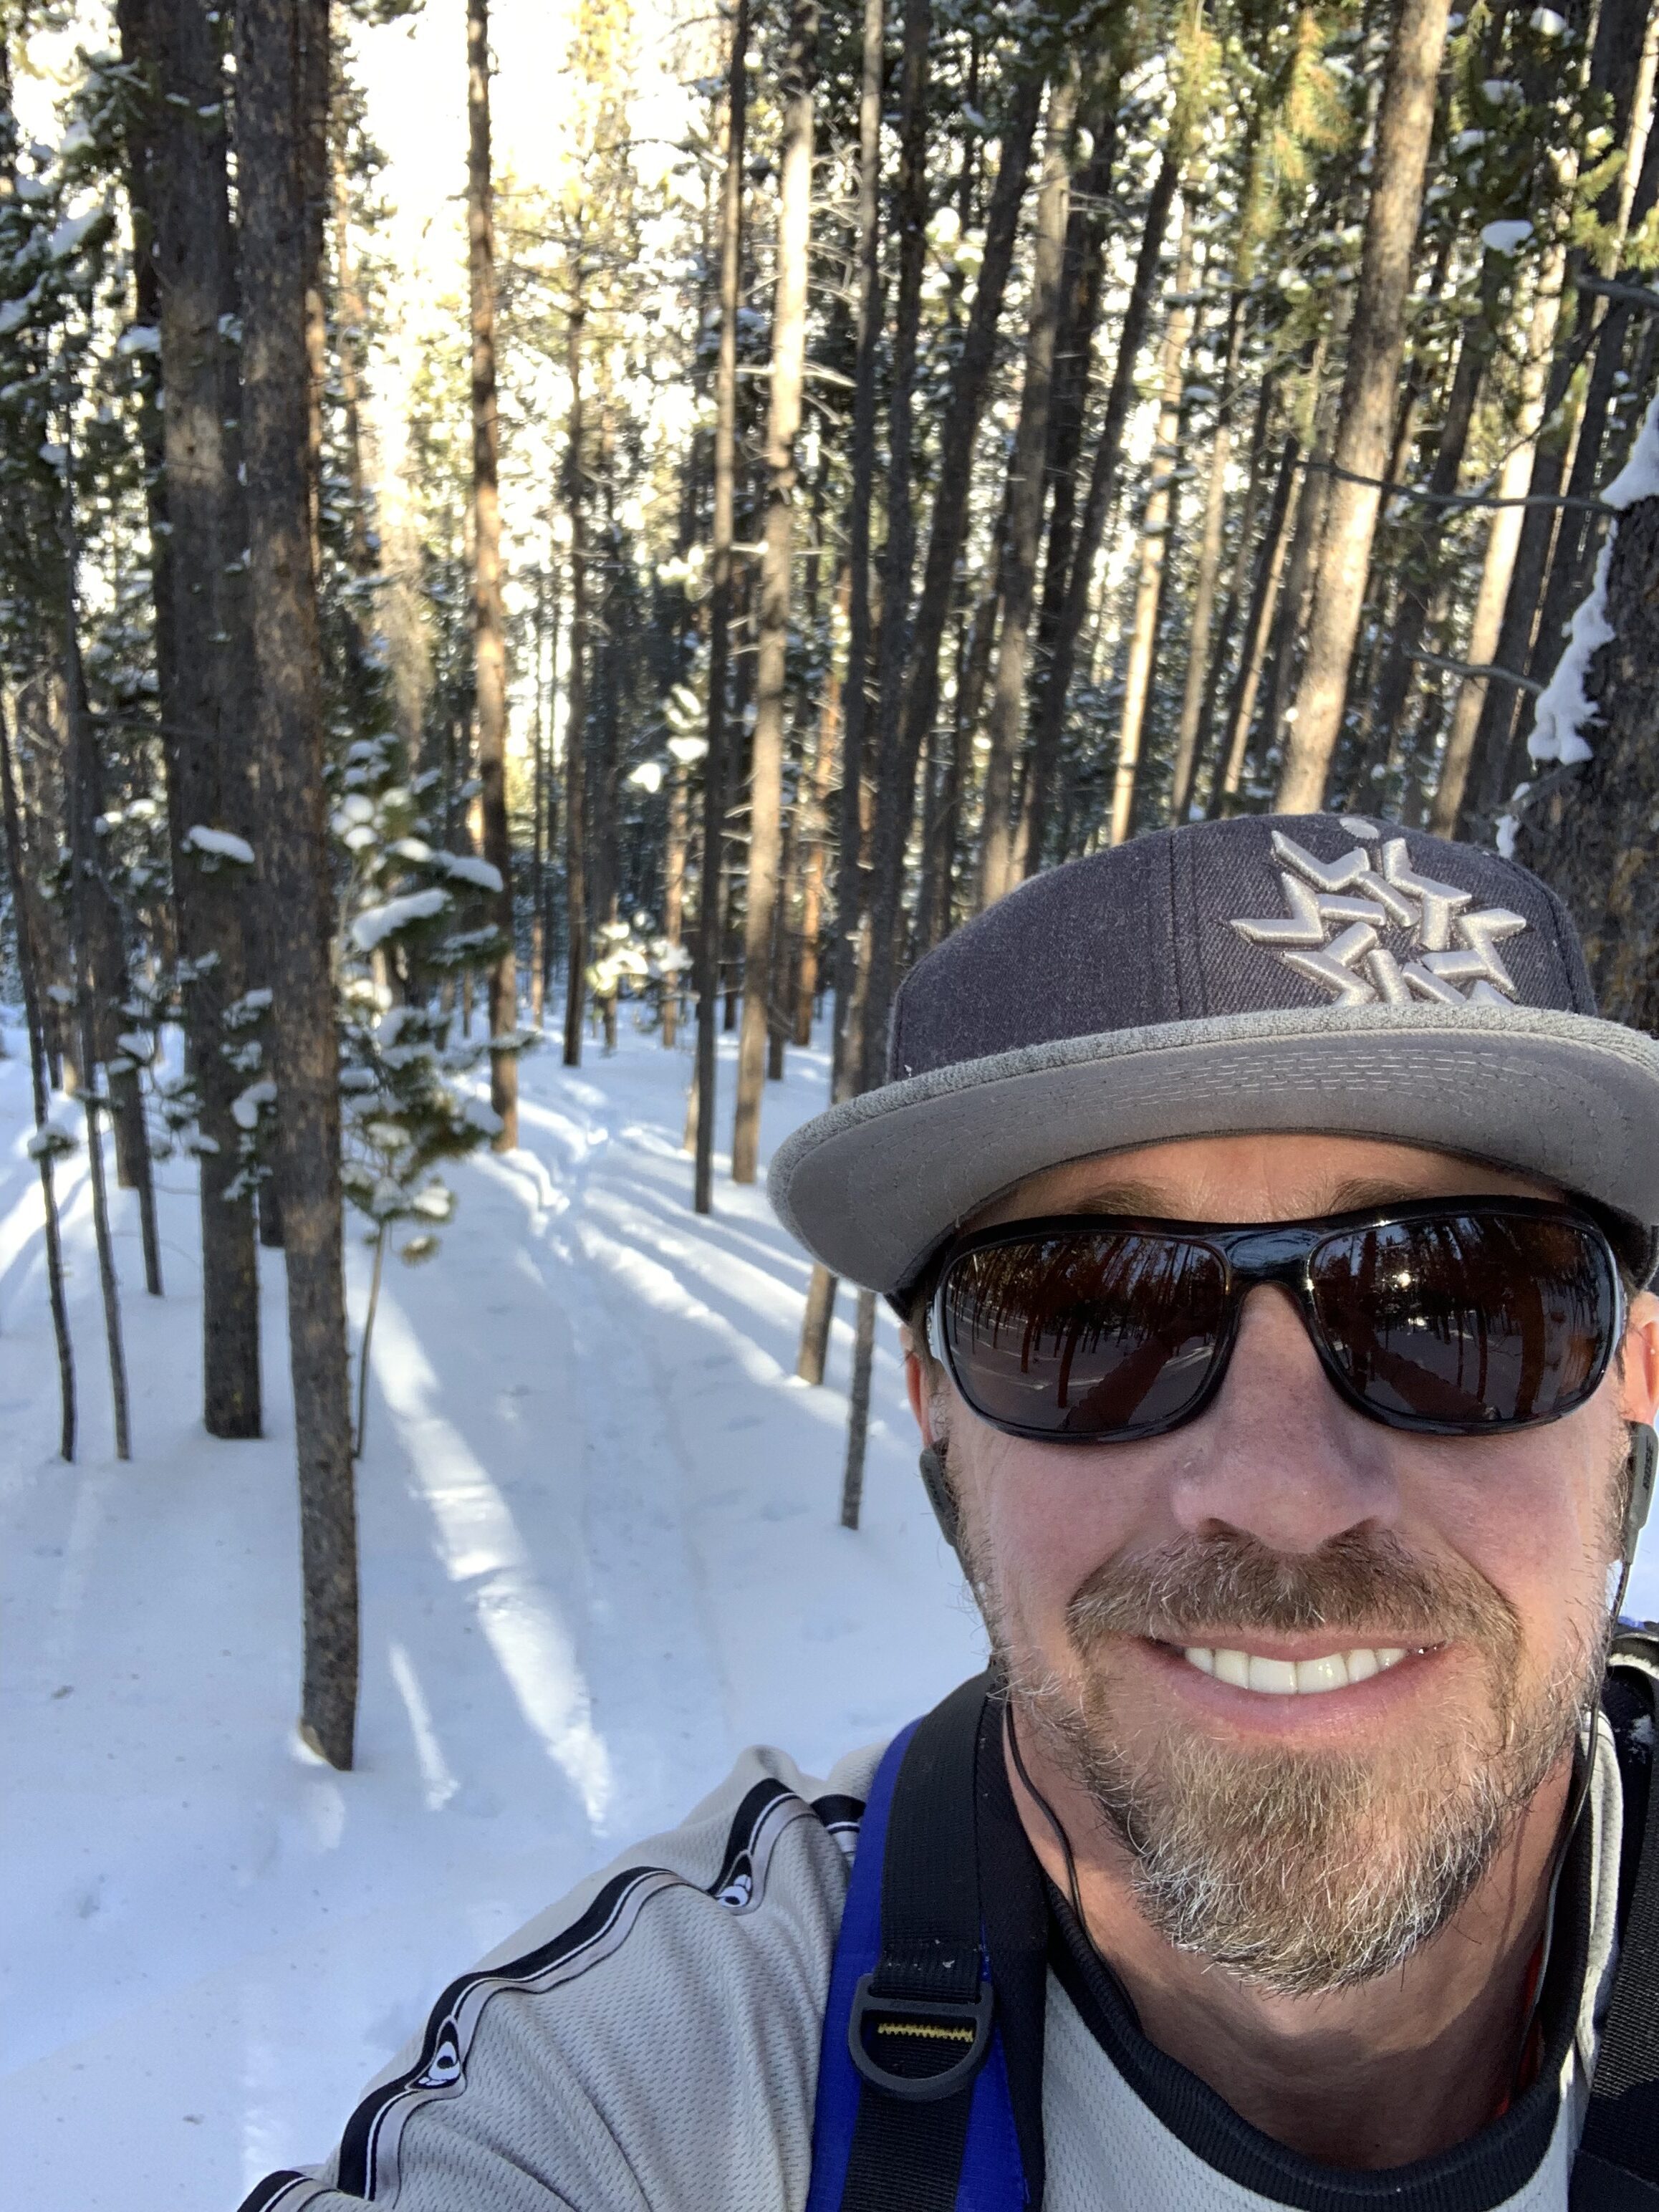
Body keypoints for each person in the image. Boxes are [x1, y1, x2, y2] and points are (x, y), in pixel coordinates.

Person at [243, 813, 1659, 2212]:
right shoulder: (649, 2083)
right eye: (1091, 1318)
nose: (1284, 1494)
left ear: (1639, 1377)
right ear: (937, 1411)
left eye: (1455, 1306)